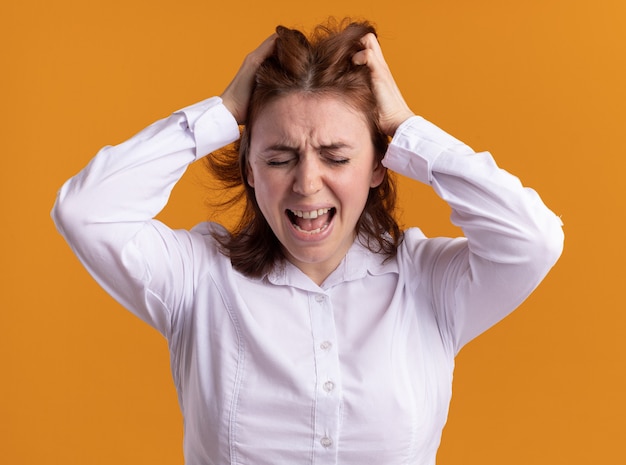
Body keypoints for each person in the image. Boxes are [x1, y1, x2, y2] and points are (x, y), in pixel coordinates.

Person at [52, 19, 564, 465]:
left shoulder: (427, 283)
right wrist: (223, 113)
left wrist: (407, 128)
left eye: (336, 156)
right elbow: (86, 211)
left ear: (379, 166)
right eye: (279, 158)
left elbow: (533, 239)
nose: (307, 183)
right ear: (249, 168)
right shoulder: (197, 278)